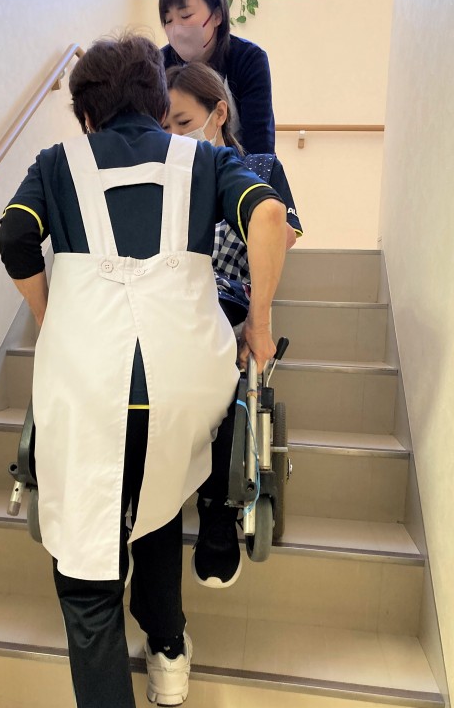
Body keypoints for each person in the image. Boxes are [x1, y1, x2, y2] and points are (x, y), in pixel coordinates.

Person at [0, 33, 287, 708]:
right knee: (157, 504)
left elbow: (13, 234)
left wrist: (49, 314)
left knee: (87, 573)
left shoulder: (57, 163)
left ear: (86, 115)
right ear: (160, 105)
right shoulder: (205, 158)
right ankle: (169, 655)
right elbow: (270, 214)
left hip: (89, 382)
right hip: (186, 382)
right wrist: (259, 325)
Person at [164, 61, 303, 589]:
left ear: (218, 114)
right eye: (164, 127)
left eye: (183, 123)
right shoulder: (164, 175)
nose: (174, 136)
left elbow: (282, 232)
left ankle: (217, 510)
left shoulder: (261, 167)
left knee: (223, 366)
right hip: (171, 297)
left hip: (230, 299)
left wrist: (255, 320)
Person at [159, 0, 275, 155]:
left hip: (238, 167)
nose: (176, 29)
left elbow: (260, 147)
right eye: (168, 20)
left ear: (217, 16)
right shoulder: (159, 65)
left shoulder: (248, 59)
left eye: (185, 15)